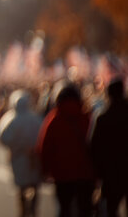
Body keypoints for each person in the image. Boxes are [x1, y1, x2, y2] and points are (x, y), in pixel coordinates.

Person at [36, 82, 95, 217]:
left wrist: (45, 170)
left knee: (64, 209)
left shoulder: (54, 119)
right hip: (85, 172)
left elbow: (45, 147)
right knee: (85, 210)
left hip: (62, 174)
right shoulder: (86, 117)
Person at [0, 90, 43, 217]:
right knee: (34, 183)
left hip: (19, 156)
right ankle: (32, 209)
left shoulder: (11, 118)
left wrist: (16, 145)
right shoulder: (35, 118)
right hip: (31, 156)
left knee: (22, 185)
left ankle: (23, 210)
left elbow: (1, 136)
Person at [90, 78, 128, 217]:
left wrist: (98, 171)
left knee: (111, 209)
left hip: (110, 172)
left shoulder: (103, 117)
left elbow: (93, 146)